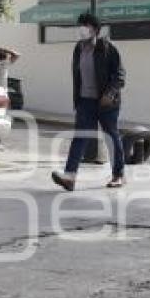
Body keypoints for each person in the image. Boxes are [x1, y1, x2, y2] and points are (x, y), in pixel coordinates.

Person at [52, 13, 126, 191]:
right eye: (81, 25)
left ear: (96, 30)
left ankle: (119, 175)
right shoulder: (78, 48)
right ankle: (69, 177)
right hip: (85, 102)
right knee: (80, 138)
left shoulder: (108, 48)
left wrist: (110, 94)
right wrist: (77, 101)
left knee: (111, 136)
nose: (82, 29)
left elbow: (120, 76)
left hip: (106, 102)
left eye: (87, 26)